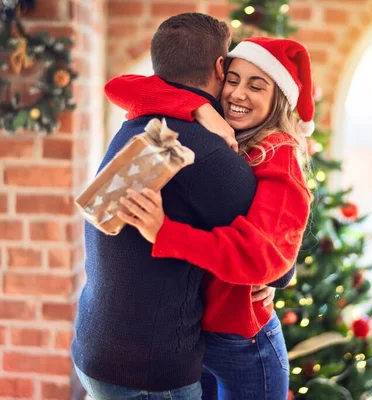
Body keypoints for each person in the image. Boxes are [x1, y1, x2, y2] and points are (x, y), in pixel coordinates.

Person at [105, 36, 316, 399]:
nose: (238, 94)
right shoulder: (218, 128)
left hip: (243, 343)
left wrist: (165, 233)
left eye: (256, 85)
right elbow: (120, 87)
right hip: (196, 332)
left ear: (278, 97)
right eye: (232, 79)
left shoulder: (279, 159)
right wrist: (197, 108)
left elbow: (260, 256)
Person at [71, 13, 260, 400]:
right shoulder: (208, 151)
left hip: (93, 348)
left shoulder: (137, 122)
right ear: (220, 67)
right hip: (148, 372)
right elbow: (277, 266)